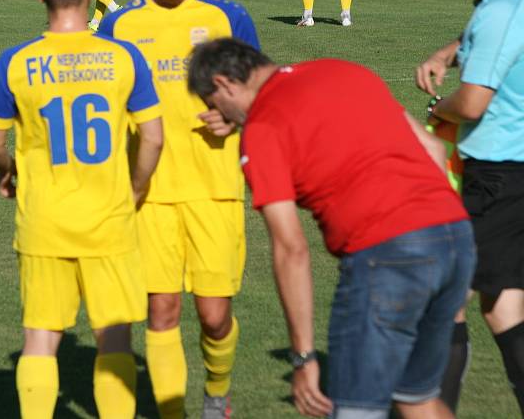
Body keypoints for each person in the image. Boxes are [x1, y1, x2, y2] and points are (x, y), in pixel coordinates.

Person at [189, 38, 474, 419]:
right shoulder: (342, 70)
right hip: (454, 237)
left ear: (225, 84)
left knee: (357, 410)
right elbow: (434, 150)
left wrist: (304, 356)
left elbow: (291, 249)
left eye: (213, 104)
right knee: (416, 399)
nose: (219, 115)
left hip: (385, 254)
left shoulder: (262, 128)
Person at [0, 0, 163, 419]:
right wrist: (137, 188)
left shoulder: (16, 61)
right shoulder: (123, 57)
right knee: (115, 339)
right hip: (109, 220)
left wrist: (10, 171)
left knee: (40, 339)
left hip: (44, 221)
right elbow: (154, 138)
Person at [99, 0, 260, 419]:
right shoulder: (120, 23)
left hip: (214, 190)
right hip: (149, 195)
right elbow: (101, 106)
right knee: (161, 310)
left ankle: (217, 391)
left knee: (214, 317)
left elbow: (261, 95)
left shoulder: (227, 18)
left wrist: (235, 120)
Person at [416, 0, 524, 415]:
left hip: (498, 178)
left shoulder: (500, 11)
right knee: (502, 307)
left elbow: (475, 100)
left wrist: (440, 112)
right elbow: (485, 37)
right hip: (510, 174)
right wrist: (447, 51)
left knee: (447, 299)